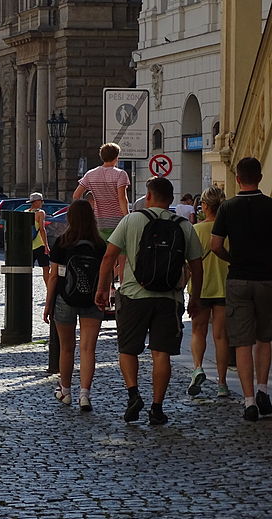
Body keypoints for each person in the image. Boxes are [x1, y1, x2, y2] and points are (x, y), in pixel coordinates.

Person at [95, 176, 202, 425]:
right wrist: (194, 297)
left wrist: (103, 288)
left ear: (149, 196)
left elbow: (109, 257)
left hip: (134, 295)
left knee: (128, 349)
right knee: (161, 353)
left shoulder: (132, 220)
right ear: (172, 200)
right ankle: (157, 408)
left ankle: (134, 394)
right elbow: (197, 267)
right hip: (169, 298)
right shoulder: (184, 225)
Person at [211, 157, 272, 421]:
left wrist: (231, 259)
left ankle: (248, 401)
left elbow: (215, 246)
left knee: (243, 342)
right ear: (259, 177)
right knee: (265, 338)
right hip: (267, 279)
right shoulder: (270, 206)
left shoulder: (228, 207)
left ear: (238, 178)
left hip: (238, 279)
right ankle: (262, 390)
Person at [43, 200, 106, 411]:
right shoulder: (100, 244)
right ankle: (85, 395)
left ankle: (65, 391)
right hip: (93, 300)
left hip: (65, 299)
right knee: (89, 349)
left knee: (67, 347)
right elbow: (106, 274)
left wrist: (48, 304)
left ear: (70, 218)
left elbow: (53, 277)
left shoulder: (62, 242)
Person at [188, 185, 230, 399]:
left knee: (198, 331)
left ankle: (197, 368)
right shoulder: (230, 230)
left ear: (204, 206)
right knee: (221, 336)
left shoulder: (195, 231)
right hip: (224, 286)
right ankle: (222, 383)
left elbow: (188, 264)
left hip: (200, 288)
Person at [73, 142, 130, 240]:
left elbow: (76, 196)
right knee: (119, 252)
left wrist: (87, 213)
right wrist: (127, 217)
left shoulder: (90, 174)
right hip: (117, 220)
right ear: (116, 157)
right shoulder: (120, 174)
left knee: (101, 252)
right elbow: (122, 198)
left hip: (99, 221)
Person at [27, 192, 50, 287]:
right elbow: (42, 229)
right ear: (36, 202)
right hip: (40, 245)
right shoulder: (40, 213)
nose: (42, 203)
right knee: (46, 268)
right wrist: (46, 246)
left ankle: (27, 292)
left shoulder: (25, 212)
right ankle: (49, 291)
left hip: (29, 246)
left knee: (27, 270)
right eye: (41, 201)